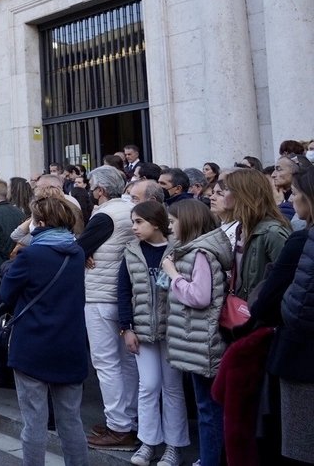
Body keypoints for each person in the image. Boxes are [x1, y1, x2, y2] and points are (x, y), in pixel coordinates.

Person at [0, 196, 90, 466]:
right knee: (71, 421)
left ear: (40, 222)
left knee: (34, 422)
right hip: (70, 343)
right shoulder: (77, 253)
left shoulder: (31, 254)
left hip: (33, 343)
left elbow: (5, 293)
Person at [238, 165, 314, 463]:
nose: (291, 200)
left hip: (299, 354)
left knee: (298, 444)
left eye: (295, 194)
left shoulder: (298, 240)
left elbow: (286, 301)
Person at [160, 199, 232, 466]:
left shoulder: (200, 252)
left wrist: (173, 275)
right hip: (196, 341)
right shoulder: (189, 249)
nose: (169, 227)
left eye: (172, 222)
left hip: (202, 342)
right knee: (208, 407)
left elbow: (200, 296)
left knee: (208, 409)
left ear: (187, 221)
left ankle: (210, 460)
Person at [118, 201, 189, 466]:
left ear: (156, 223)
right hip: (142, 329)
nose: (134, 227)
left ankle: (174, 445)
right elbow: (123, 292)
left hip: (173, 329)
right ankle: (148, 441)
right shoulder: (131, 251)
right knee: (148, 385)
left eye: (139, 222)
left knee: (172, 387)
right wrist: (126, 328)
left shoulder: (178, 250)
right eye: (133, 222)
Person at [81, 166, 140, 450]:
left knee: (106, 363)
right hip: (124, 295)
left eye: (92, 187)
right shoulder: (129, 210)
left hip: (101, 295)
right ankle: (127, 420)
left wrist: (86, 253)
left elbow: (79, 248)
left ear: (100, 190)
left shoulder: (104, 215)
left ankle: (118, 427)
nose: (91, 192)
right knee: (126, 363)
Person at [222, 168, 291, 301]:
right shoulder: (241, 228)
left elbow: (287, 280)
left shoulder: (272, 232)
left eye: (227, 189)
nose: (222, 195)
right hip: (242, 309)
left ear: (243, 193)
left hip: (262, 315)